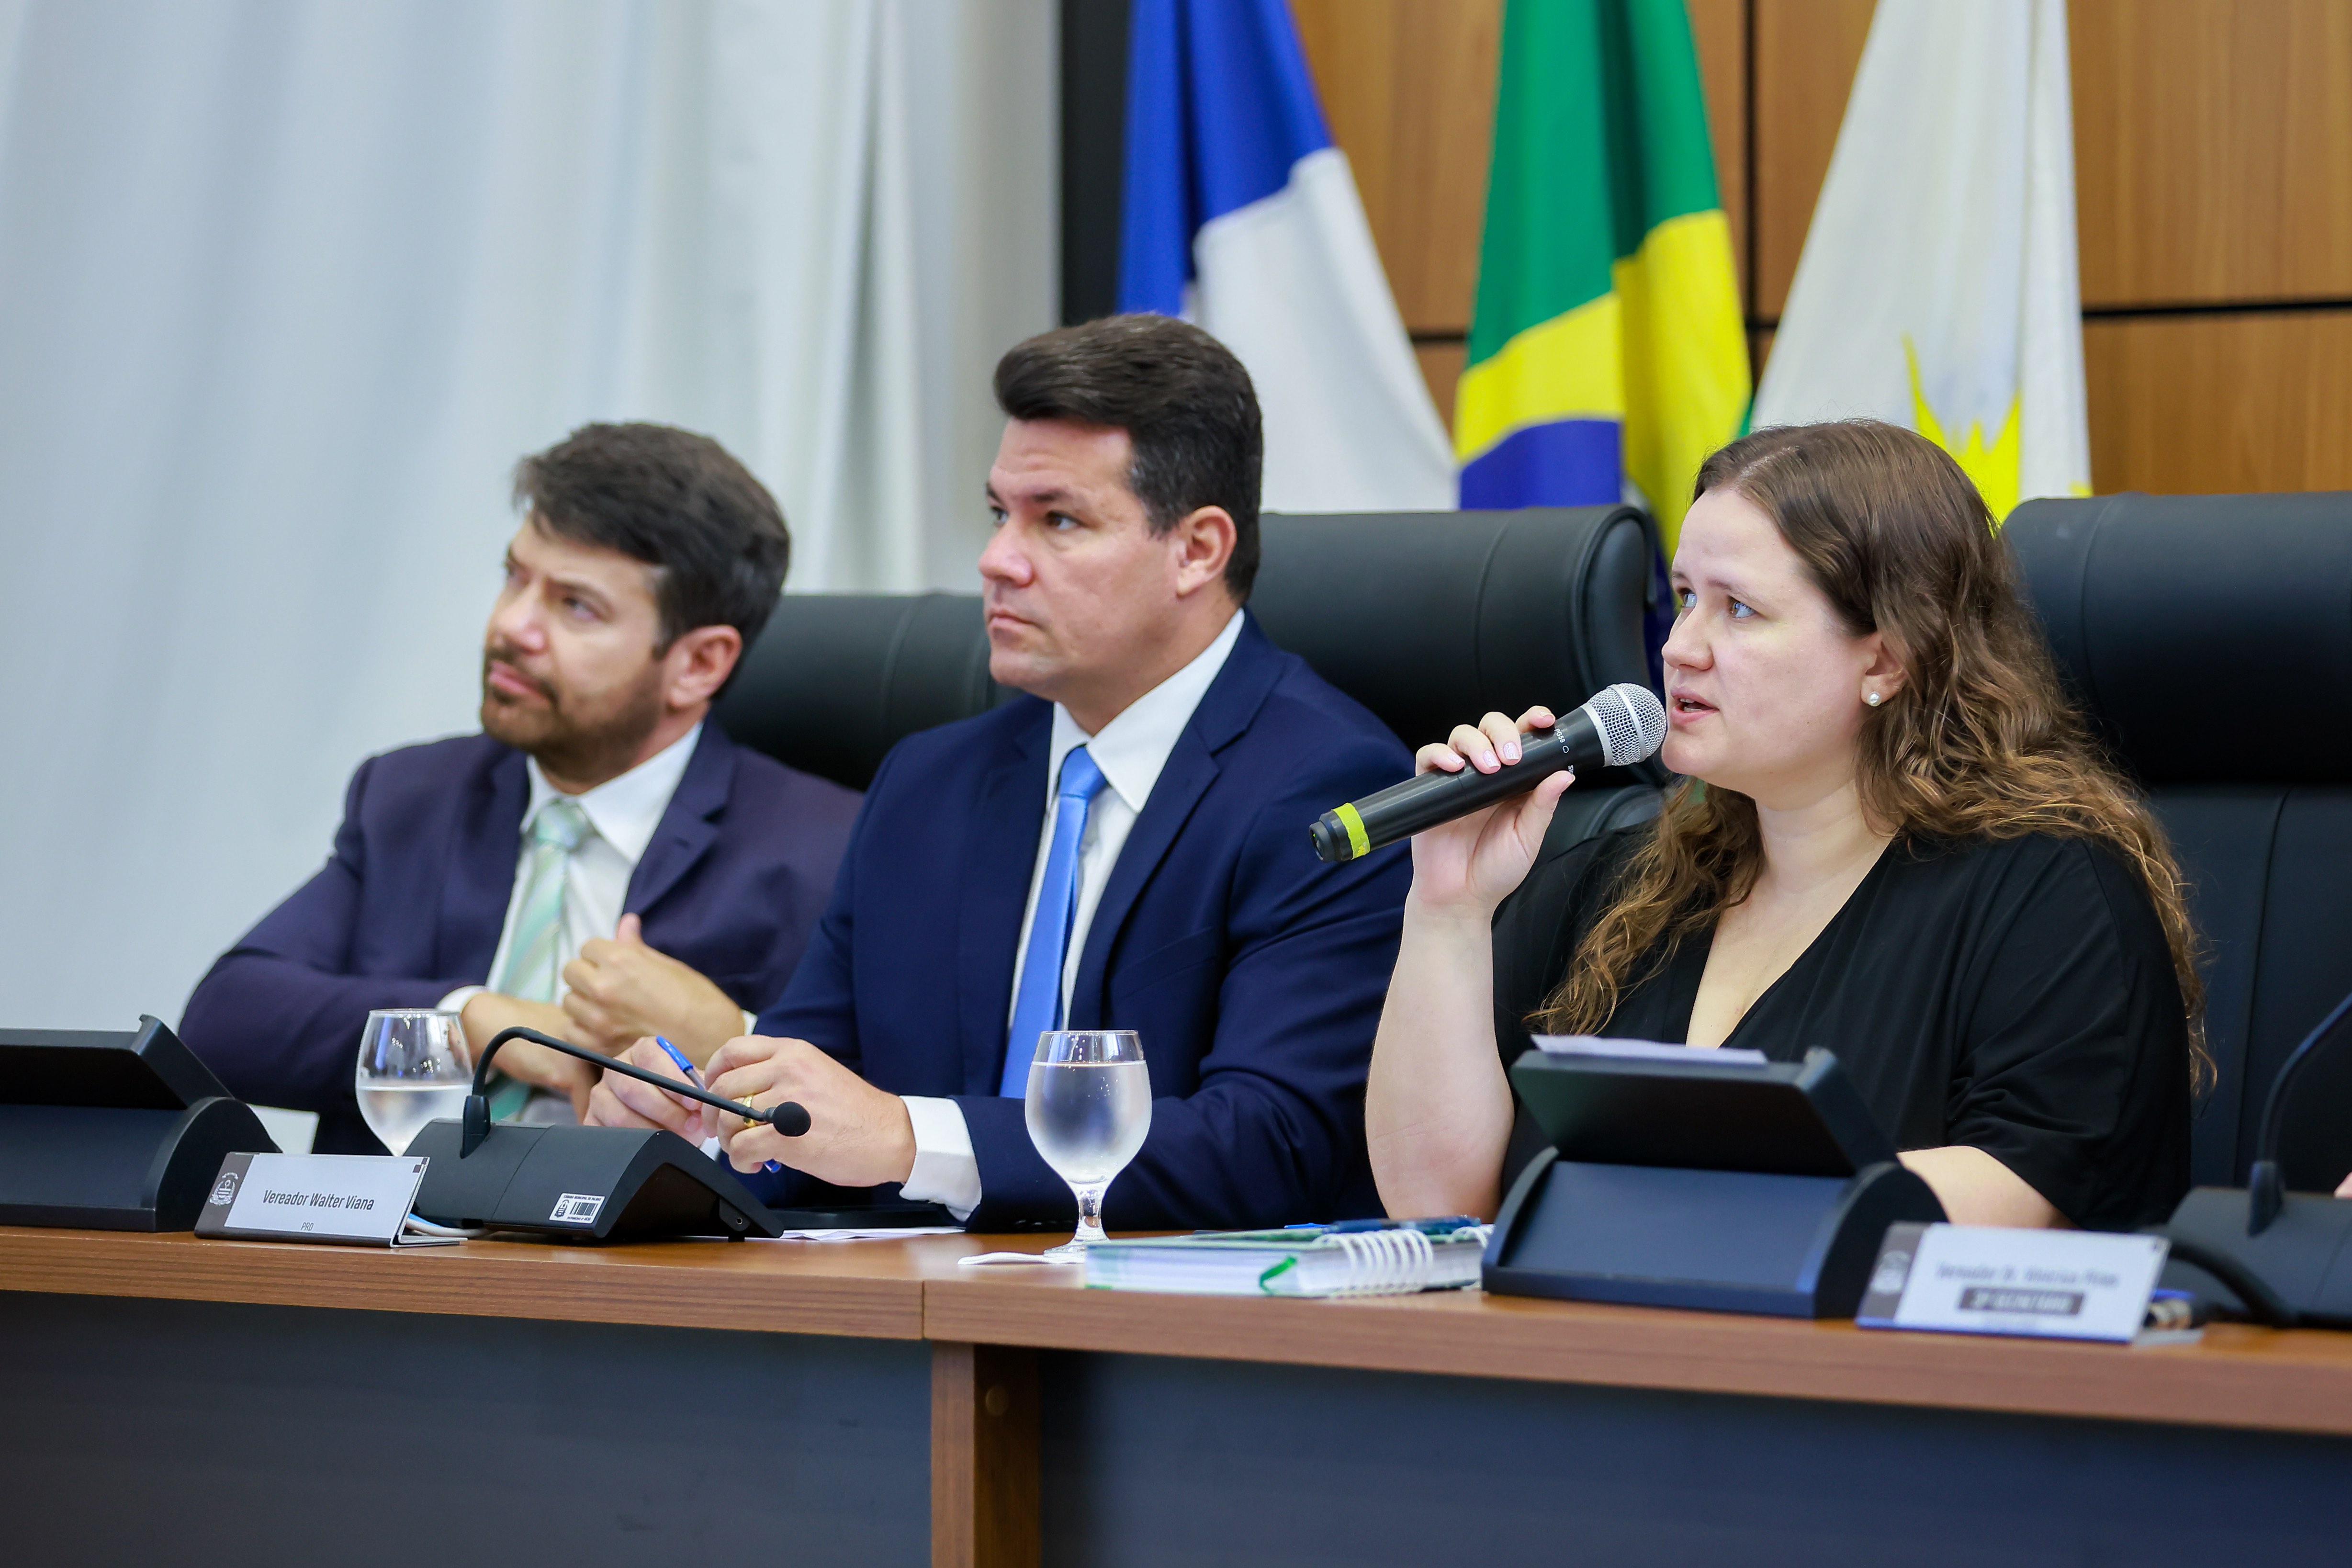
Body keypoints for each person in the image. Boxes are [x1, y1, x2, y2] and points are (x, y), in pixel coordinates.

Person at [585, 315, 1414, 1230]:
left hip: (1174, 1340)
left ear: (1198, 550)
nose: (995, 561)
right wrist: (692, 1129)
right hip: (901, 1327)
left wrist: (911, 1139)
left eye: (1058, 520)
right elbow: (808, 1105)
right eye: (997, 514)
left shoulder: (1330, 783)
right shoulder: (928, 783)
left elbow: (1271, 1144)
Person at [1366, 420, 2202, 1232]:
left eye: (1738, 611)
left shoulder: (2049, 891)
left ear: (1884, 659)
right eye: (1686, 597)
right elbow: (1435, 1205)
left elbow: (2022, 1196)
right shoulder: (1615, 883)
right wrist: (1448, 909)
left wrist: (1635, 1203)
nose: (1679, 649)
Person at [182, 423, 861, 1151]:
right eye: (515, 577)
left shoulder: (826, 847)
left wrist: (730, 1038)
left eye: (576, 606)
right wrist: (472, 1025)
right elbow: (226, 1022)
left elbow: (893, 1110)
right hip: (393, 1251)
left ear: (698, 664)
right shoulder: (413, 798)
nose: (511, 625)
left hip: (643, 1258)